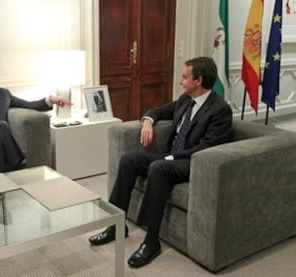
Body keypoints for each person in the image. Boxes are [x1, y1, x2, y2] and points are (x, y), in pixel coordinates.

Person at [88, 57, 233, 268]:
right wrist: (148, 122)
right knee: (129, 159)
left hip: (193, 162)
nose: (180, 81)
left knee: (159, 167)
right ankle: (116, 226)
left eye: (184, 77)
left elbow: (207, 148)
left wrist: (171, 157)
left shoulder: (220, 110)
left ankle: (151, 240)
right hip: (171, 156)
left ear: (199, 80)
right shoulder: (185, 100)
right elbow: (157, 111)